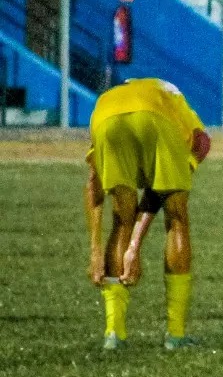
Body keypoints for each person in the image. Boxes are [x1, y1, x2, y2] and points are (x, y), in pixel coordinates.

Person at [84, 78, 211, 351]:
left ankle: (114, 335)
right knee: (177, 218)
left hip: (106, 121)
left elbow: (93, 183)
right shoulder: (172, 97)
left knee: (120, 221)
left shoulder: (108, 98)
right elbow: (200, 144)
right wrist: (135, 247)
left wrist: (95, 250)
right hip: (157, 118)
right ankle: (175, 335)